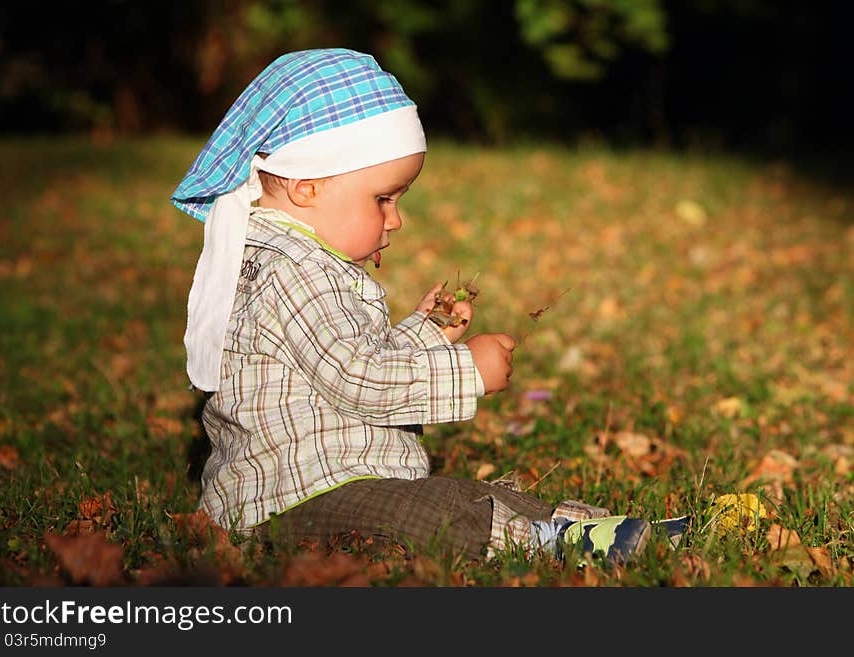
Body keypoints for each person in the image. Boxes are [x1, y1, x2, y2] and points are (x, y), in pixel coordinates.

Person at [170, 48, 681, 566]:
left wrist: (427, 333)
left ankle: (586, 529)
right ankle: (553, 543)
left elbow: (347, 359)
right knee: (431, 511)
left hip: (338, 484)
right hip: (295, 501)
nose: (396, 220)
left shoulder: (299, 259)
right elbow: (359, 380)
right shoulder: (291, 271)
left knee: (467, 495)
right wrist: (468, 371)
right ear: (307, 187)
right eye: (383, 199)